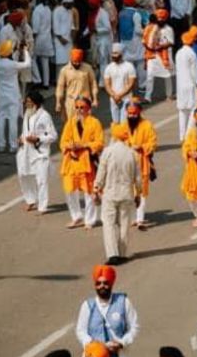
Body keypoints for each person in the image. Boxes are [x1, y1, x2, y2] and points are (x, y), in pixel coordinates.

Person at [94, 123, 142, 265]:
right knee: (124, 224)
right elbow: (138, 178)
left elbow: (101, 173)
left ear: (114, 136)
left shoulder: (108, 152)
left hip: (110, 193)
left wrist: (96, 188)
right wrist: (138, 194)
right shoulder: (132, 153)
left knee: (108, 224)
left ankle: (112, 254)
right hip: (126, 194)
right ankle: (122, 254)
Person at [76, 265, 139, 357]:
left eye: (105, 283)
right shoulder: (87, 305)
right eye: (98, 283)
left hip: (118, 355)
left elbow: (134, 327)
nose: (102, 286)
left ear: (111, 284)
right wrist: (92, 344)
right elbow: (81, 330)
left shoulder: (123, 302)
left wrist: (121, 343)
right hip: (94, 355)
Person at [60, 97, 105, 229]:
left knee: (88, 191)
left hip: (87, 162)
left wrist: (84, 145)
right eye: (77, 107)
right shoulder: (70, 122)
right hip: (71, 162)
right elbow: (63, 141)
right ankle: (76, 217)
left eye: (82, 107)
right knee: (69, 190)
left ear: (88, 109)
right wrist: (70, 146)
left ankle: (89, 220)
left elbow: (99, 142)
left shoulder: (95, 123)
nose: (79, 110)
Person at [17, 89, 58, 214]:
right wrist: (21, 138)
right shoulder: (27, 114)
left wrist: (38, 139)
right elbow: (25, 131)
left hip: (40, 152)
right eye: (26, 102)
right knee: (24, 176)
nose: (27, 104)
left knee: (41, 179)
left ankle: (43, 206)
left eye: (29, 102)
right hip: (26, 151)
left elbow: (53, 135)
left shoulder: (45, 116)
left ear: (36, 103)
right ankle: (30, 200)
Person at [0, 40, 31, 153]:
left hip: (2, 96)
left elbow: (3, 56)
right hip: (13, 95)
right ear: (10, 52)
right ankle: (13, 145)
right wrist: (25, 51)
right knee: (12, 120)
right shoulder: (13, 65)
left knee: (1, 119)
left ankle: (1, 145)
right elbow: (27, 64)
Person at [125, 99, 157, 229]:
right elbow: (117, 140)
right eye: (129, 113)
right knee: (129, 192)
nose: (131, 116)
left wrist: (141, 147)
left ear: (139, 113)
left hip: (142, 163)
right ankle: (132, 217)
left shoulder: (147, 125)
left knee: (142, 191)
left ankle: (140, 218)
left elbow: (153, 143)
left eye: (134, 113)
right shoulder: (124, 126)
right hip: (127, 163)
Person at [175, 30, 197, 140]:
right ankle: (188, 135)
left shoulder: (178, 53)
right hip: (190, 85)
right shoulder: (192, 54)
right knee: (194, 109)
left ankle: (182, 136)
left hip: (180, 86)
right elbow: (195, 72)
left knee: (182, 111)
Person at [56, 49, 99, 121]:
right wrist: (58, 102)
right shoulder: (64, 70)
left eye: (79, 62)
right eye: (74, 62)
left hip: (85, 101)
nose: (77, 64)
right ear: (71, 59)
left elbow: (93, 84)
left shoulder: (88, 68)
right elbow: (60, 87)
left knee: (86, 124)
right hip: (71, 102)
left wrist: (95, 99)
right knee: (71, 124)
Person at [143, 10, 174, 103]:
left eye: (162, 19)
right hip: (152, 55)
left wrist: (160, 46)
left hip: (164, 55)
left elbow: (171, 42)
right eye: (158, 18)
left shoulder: (168, 29)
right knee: (149, 75)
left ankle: (169, 94)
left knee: (167, 76)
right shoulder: (152, 27)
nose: (160, 20)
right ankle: (147, 97)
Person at [103, 44, 137, 125]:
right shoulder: (109, 67)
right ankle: (116, 136)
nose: (113, 55)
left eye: (116, 53)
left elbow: (131, 83)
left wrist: (120, 95)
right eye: (112, 53)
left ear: (121, 54)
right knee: (115, 122)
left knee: (124, 122)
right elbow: (107, 84)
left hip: (126, 98)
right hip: (113, 98)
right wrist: (114, 95)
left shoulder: (129, 66)